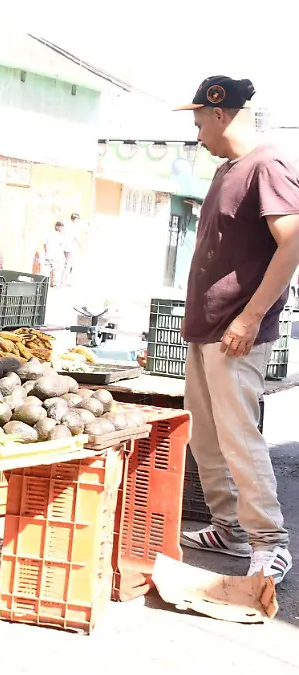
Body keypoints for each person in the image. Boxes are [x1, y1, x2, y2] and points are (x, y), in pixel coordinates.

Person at [174, 75, 299, 583]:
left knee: (239, 437)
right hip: (206, 328)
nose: (198, 133)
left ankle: (270, 541)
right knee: (205, 435)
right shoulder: (228, 168)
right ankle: (229, 529)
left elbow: (293, 242)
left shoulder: (267, 165)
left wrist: (249, 317)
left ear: (220, 114)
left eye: (199, 122)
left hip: (236, 331)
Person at [43, 221, 72, 287]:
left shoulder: (50, 234)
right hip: (56, 255)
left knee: (49, 269)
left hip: (49, 254)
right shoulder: (60, 236)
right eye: (62, 228)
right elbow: (64, 246)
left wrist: (46, 251)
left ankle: (49, 283)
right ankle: (53, 283)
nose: (62, 229)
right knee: (55, 270)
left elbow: (44, 243)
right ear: (58, 227)